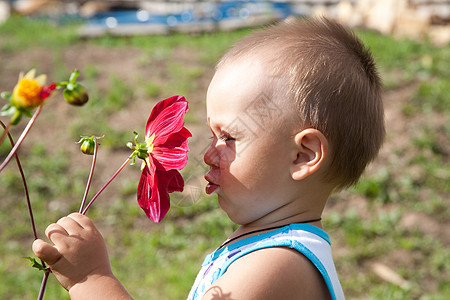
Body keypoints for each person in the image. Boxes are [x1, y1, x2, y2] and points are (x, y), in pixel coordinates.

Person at [32, 17, 384, 300]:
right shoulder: (266, 250)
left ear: (302, 155)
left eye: (228, 137)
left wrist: (91, 279)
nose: (207, 154)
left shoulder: (277, 266)